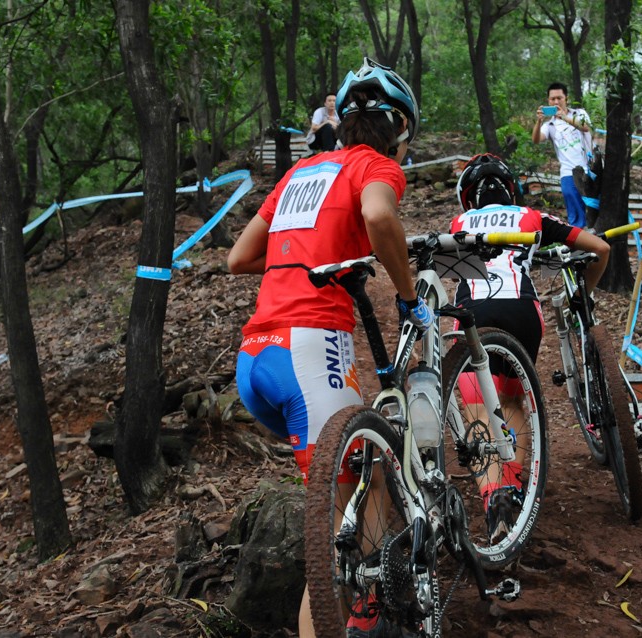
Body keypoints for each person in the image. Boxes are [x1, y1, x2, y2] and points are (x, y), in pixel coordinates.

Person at [228, 59, 431, 638]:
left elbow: (239, 258)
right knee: (339, 542)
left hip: (256, 358)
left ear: (340, 121)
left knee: (349, 500)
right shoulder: (377, 165)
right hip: (308, 352)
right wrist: (408, 293)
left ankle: (367, 610)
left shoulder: (300, 174)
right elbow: (376, 215)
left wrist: (304, 256)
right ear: (400, 128)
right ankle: (361, 617)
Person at [450, 153, 609, 539]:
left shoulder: (459, 222)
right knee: (511, 401)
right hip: (523, 310)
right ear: (512, 190)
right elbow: (600, 249)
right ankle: (516, 486)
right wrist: (582, 296)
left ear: (469, 198)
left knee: (476, 407)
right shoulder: (530, 216)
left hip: (474, 311)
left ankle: (494, 497)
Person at [531, 82, 594, 228]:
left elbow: (585, 127)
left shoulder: (580, 114)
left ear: (566, 98)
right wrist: (538, 122)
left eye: (559, 98)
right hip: (567, 172)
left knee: (593, 208)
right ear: (548, 101)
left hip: (589, 169)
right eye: (552, 99)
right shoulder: (549, 125)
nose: (556, 102)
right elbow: (536, 140)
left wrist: (564, 117)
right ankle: (579, 242)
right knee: (575, 214)